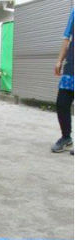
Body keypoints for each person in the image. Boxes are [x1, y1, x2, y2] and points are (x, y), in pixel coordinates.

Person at [51, 8, 74, 154]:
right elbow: (67, 38)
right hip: (72, 63)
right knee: (62, 103)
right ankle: (66, 137)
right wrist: (59, 60)